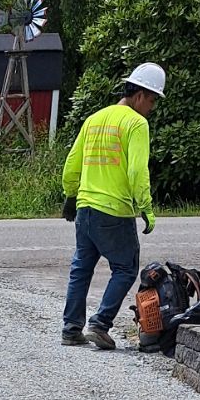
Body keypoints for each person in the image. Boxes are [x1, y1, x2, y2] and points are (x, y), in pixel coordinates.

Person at [60, 61, 166, 351]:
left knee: (81, 268)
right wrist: (146, 207)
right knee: (126, 268)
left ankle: (71, 330)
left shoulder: (94, 119)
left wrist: (71, 196)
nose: (152, 107)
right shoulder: (136, 123)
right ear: (141, 95)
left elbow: (72, 164)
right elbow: (136, 171)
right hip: (114, 211)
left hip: (85, 208)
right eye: (153, 100)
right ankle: (99, 324)